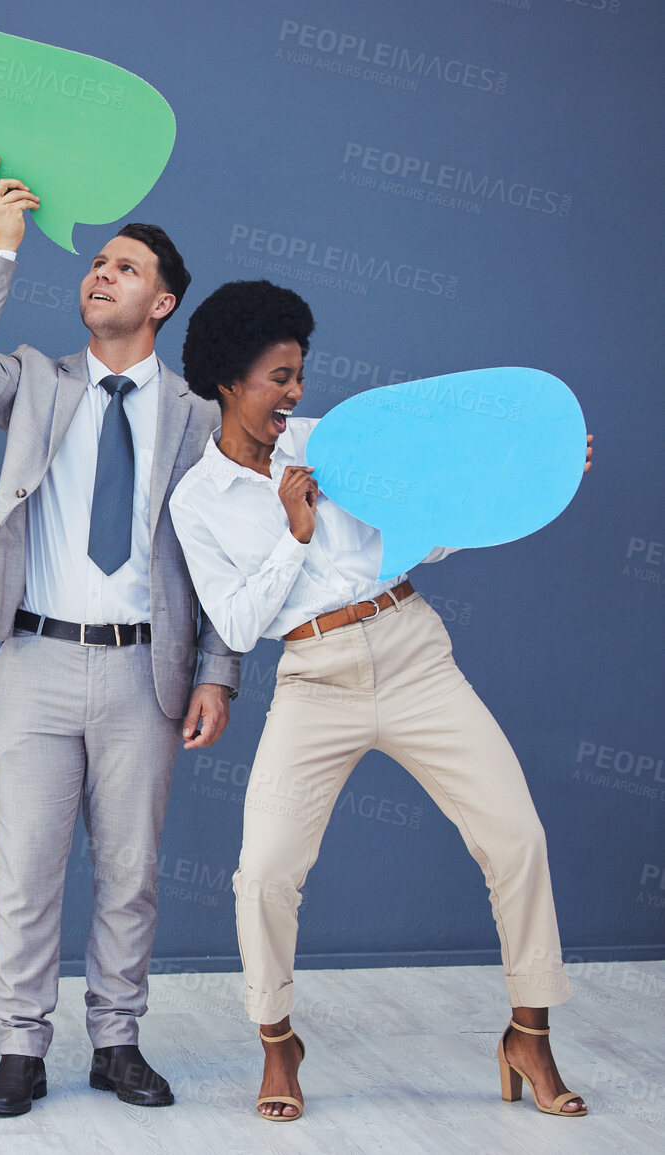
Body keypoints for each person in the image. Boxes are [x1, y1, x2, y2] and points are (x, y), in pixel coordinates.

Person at [168, 278, 589, 1121]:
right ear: (227, 381)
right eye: (277, 377)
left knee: (515, 836)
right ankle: (277, 1043)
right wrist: (292, 536)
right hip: (312, 676)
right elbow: (241, 625)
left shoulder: (336, 440)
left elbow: (425, 525)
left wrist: (526, 476)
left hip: (411, 652)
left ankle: (528, 1033)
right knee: (263, 875)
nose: (294, 394)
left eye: (298, 375)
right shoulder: (195, 500)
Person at [0, 160, 241, 1116]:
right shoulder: (35, 382)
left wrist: (218, 673)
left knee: (131, 872)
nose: (100, 273)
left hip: (145, 667)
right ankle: (20, 1047)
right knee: (23, 866)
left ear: (164, 300)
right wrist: (1, 246)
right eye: (96, 262)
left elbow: (223, 549)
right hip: (33, 659)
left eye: (124, 266)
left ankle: (117, 1040)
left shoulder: (197, 416)